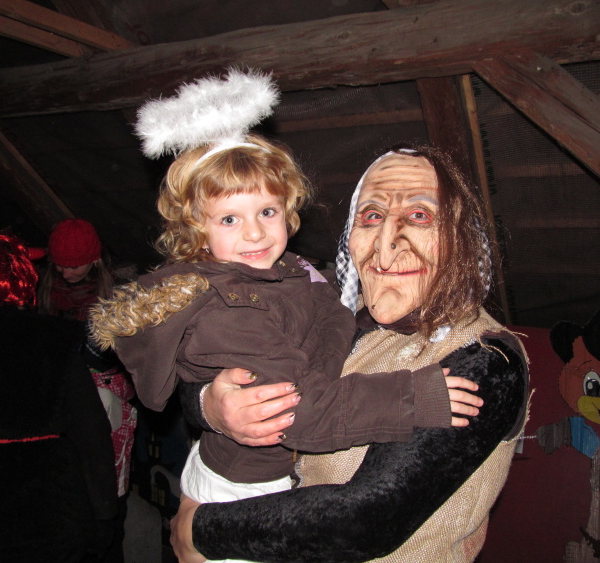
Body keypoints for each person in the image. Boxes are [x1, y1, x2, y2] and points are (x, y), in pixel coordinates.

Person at [90, 69, 482, 563]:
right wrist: (414, 396)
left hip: (259, 478)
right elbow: (301, 414)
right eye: (229, 219)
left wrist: (208, 398)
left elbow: (319, 308)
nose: (255, 234)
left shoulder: (286, 271)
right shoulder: (230, 309)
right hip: (244, 496)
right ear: (197, 229)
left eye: (267, 212)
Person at [170, 143, 530, 563]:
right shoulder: (341, 316)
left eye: (419, 216)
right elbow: (205, 360)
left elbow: (365, 521)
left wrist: (199, 530)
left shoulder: (485, 360)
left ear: (460, 235)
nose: (385, 247)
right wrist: (209, 405)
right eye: (371, 216)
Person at [0, 231, 119, 562]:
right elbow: (91, 433)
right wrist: (104, 513)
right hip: (53, 500)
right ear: (23, 276)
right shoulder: (55, 338)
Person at [38, 217, 137, 563]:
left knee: (108, 489)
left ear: (93, 260)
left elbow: (133, 360)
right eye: (60, 265)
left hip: (109, 398)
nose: (66, 272)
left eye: (74, 265)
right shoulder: (45, 289)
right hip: (61, 397)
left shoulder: (118, 294)